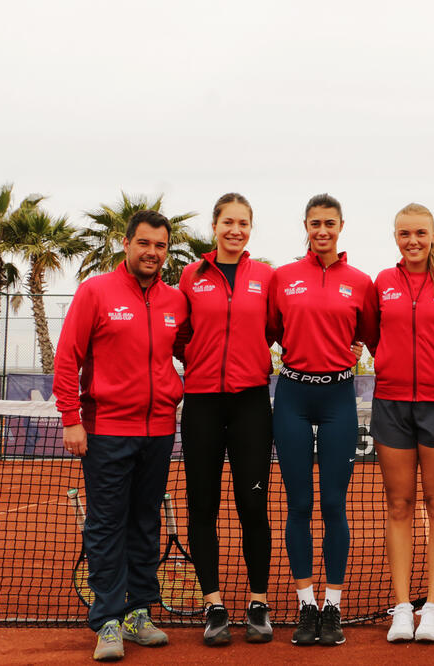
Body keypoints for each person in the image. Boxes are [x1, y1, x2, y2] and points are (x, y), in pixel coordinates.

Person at [54, 210, 188, 662]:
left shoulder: (175, 301)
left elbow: (196, 349)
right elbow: (67, 356)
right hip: (107, 431)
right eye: (145, 243)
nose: (153, 252)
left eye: (161, 246)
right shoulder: (95, 291)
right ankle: (107, 620)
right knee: (107, 525)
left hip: (159, 431)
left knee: (146, 523)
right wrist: (71, 417)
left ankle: (137, 612)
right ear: (126, 244)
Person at [270, 193, 375, 646]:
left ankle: (333, 605)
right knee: (298, 506)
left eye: (330, 223)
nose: (322, 231)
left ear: (341, 226)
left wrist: (354, 351)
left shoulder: (361, 281)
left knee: (333, 505)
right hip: (292, 395)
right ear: (306, 226)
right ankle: (306, 605)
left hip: (338, 399)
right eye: (315, 223)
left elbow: (370, 335)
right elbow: (270, 330)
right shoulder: (283, 278)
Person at [367, 203, 434, 643]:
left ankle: (432, 607)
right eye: (405, 233)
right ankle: (402, 608)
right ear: (395, 237)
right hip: (391, 404)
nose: (413, 241)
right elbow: (373, 335)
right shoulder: (382, 283)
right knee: (398, 505)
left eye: (421, 233)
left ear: (433, 234)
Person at [176, 193, 275, 645]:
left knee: (253, 505)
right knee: (203, 508)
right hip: (201, 405)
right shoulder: (190, 277)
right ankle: (214, 605)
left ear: (251, 228)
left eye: (243, 223)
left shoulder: (266, 278)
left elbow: (280, 328)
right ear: (214, 227)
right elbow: (179, 335)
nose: (236, 230)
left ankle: (258, 602)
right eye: (228, 222)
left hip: (252, 403)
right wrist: (199, 359)